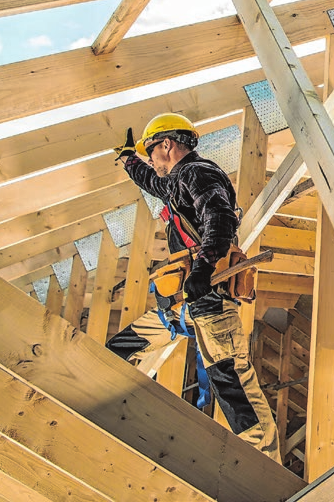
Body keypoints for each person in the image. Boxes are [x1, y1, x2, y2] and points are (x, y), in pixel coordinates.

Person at [114, 113, 280, 461]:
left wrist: (203, 268)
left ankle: (266, 463)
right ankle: (101, 396)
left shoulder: (198, 172)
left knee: (231, 382)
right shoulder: (177, 181)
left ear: (167, 145)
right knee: (122, 348)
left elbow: (219, 218)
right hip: (183, 305)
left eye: (151, 152)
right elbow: (151, 181)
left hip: (209, 303)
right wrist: (130, 159)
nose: (152, 161)